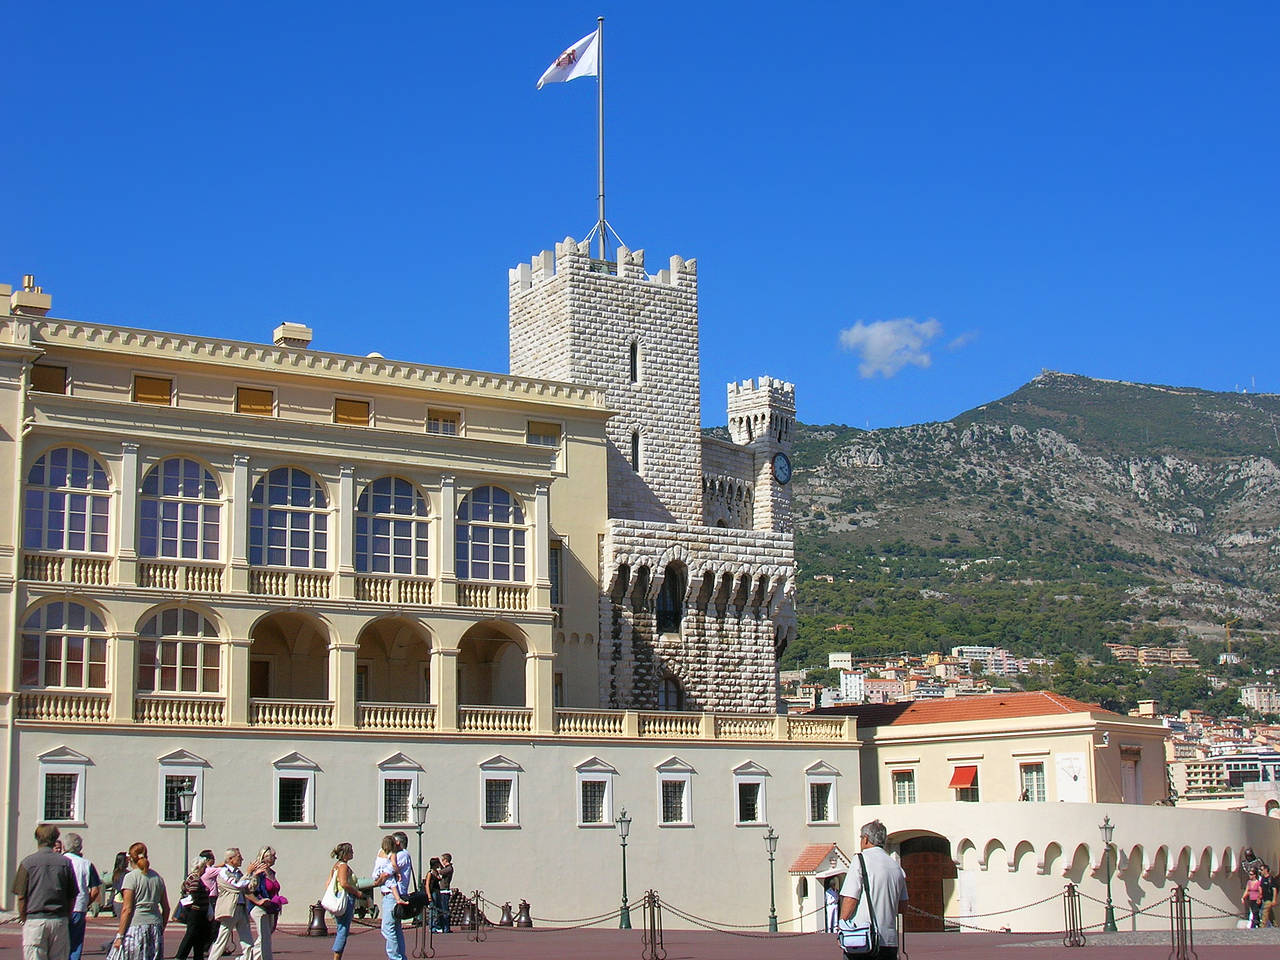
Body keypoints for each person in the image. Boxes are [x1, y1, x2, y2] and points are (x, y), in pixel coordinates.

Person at [839, 820, 908, 960]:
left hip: (862, 937)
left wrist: (842, 923)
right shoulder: (896, 867)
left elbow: (851, 898)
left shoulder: (860, 860)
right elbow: (903, 907)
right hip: (889, 940)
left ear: (865, 839)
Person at [14, 823, 76, 960]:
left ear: (37, 838)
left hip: (35, 919)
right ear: (55, 839)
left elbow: (21, 897)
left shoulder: (27, 863)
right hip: (59, 919)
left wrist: (24, 917)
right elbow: (72, 896)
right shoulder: (65, 863)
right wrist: (67, 915)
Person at [112, 841, 169, 960]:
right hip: (155, 925)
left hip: (136, 925)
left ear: (130, 859)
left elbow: (127, 909)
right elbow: (166, 908)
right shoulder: (157, 878)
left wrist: (120, 935)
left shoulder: (131, 878)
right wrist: (162, 927)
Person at [206, 848, 262, 960]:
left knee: (247, 941)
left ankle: (246, 958)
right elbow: (237, 885)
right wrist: (249, 873)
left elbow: (248, 888)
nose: (242, 859)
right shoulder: (223, 872)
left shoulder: (239, 873)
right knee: (222, 939)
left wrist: (255, 875)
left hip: (241, 908)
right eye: (239, 857)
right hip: (230, 909)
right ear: (231, 859)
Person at [63, 833, 101, 960]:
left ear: (64, 846)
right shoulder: (87, 864)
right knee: (75, 943)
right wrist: (87, 902)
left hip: (61, 907)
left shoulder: (60, 861)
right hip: (79, 906)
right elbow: (95, 890)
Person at [244, 847, 283, 960]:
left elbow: (274, 889)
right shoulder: (258, 871)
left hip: (271, 907)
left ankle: (248, 958)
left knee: (265, 937)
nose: (275, 858)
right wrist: (255, 875)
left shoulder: (271, 872)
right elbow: (248, 890)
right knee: (264, 937)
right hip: (259, 907)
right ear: (266, 858)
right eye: (273, 856)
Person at [328, 843, 366, 960]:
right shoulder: (343, 866)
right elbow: (344, 883)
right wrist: (356, 892)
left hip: (338, 897)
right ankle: (337, 956)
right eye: (351, 851)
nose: (353, 853)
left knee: (341, 927)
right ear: (346, 854)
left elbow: (328, 882)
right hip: (346, 898)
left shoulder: (336, 866)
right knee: (343, 929)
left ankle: (337, 955)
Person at [373, 836, 408, 960]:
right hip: (390, 894)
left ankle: (395, 957)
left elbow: (387, 872)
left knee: (387, 928)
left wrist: (376, 882)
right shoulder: (392, 853)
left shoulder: (401, 855)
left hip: (391, 896)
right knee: (395, 928)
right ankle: (400, 956)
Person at [173, 855, 213, 960]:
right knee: (191, 936)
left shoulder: (194, 877)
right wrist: (202, 898)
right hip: (196, 912)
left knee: (198, 938)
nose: (205, 869)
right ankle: (180, 957)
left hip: (198, 912)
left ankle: (197, 957)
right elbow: (193, 891)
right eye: (204, 867)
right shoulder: (195, 878)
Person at [109, 853, 130, 918]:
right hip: (122, 902)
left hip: (117, 901)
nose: (128, 861)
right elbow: (121, 889)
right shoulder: (124, 874)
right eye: (127, 859)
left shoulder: (116, 872)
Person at [436, 854, 453, 933]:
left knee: (444, 909)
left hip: (444, 891)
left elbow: (441, 872)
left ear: (446, 860)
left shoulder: (449, 868)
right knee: (442, 909)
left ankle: (446, 928)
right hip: (442, 891)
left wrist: (436, 868)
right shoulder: (447, 868)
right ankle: (444, 927)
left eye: (443, 860)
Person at [1262, 863, 1277, 928]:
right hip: (1264, 899)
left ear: (1266, 870)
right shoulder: (1263, 879)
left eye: (1262, 870)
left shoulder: (1271, 879)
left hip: (1269, 899)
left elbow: (1274, 889)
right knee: (1270, 914)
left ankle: (1262, 926)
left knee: (1265, 912)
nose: (1261, 871)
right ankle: (1275, 925)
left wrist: (1274, 900)